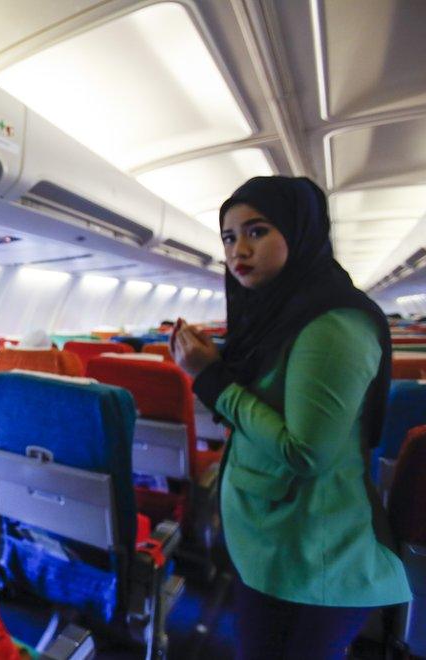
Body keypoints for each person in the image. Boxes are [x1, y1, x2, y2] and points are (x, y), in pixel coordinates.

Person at [170, 176, 411, 659]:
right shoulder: (273, 315)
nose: (239, 249)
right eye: (229, 236)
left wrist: (210, 376)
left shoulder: (335, 325)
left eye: (257, 231)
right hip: (268, 539)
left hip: (311, 556)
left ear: (299, 233)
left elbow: (304, 454)